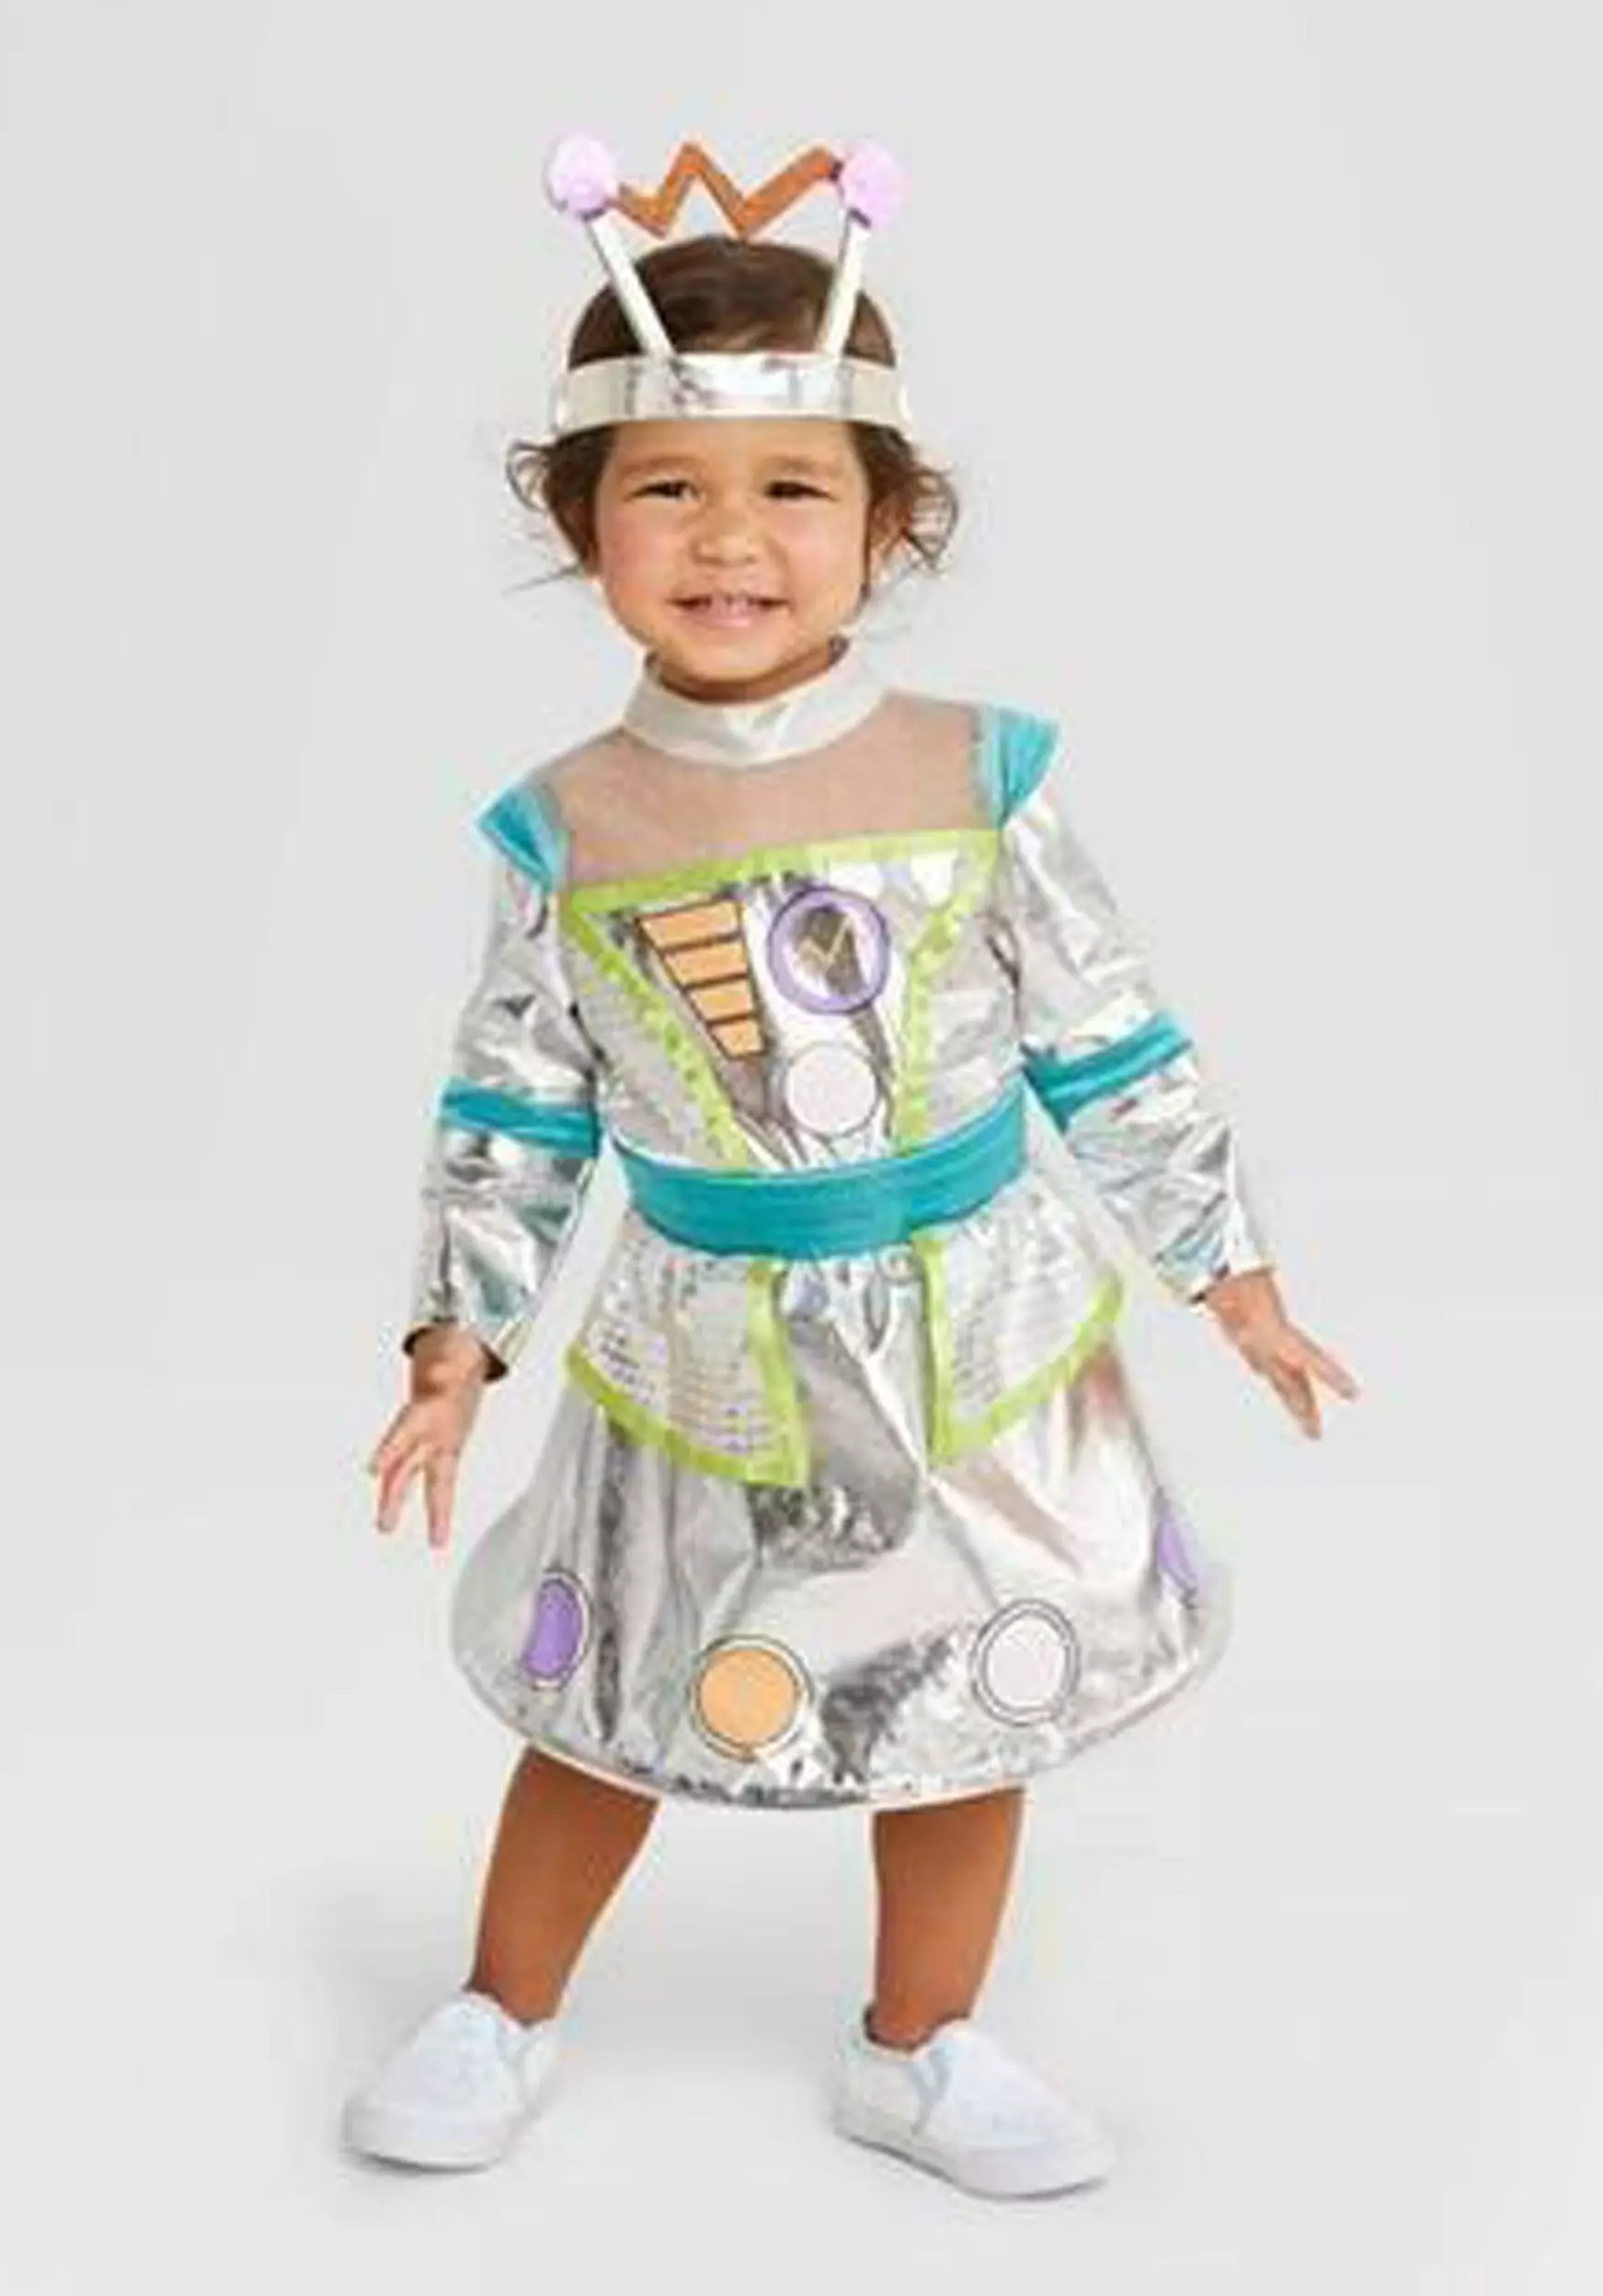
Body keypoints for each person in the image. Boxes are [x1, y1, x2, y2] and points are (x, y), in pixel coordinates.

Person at [341, 136, 1359, 2199]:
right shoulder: (568, 823)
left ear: (889, 525)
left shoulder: (975, 775)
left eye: (793, 489)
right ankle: (501, 2008)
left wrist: (1225, 1270)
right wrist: (457, 1343)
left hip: (968, 1334)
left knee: (965, 1702)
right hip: (699, 1345)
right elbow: (517, 1107)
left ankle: (919, 2044)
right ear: (580, 521)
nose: (731, 538)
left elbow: (1103, 1035)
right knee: (610, 1695)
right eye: (666, 489)